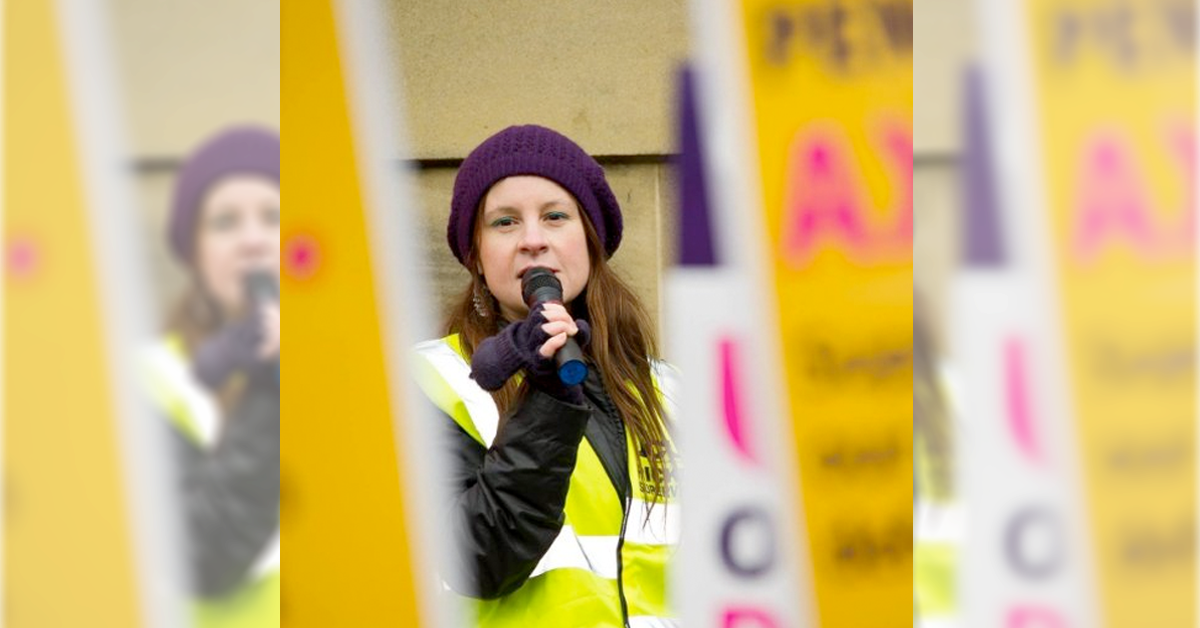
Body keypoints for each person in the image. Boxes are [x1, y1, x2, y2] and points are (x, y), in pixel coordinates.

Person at [411, 125, 679, 627]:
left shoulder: (674, 392)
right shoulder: (428, 382)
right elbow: (475, 560)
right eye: (505, 222)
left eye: (555, 216)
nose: (533, 240)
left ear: (591, 241)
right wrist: (548, 402)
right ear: (477, 257)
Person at [139, 126, 281, 627]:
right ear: (194, 251)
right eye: (225, 222)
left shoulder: (356, 370)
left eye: (273, 217)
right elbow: (199, 556)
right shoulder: (149, 382)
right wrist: (269, 385)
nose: (252, 240)